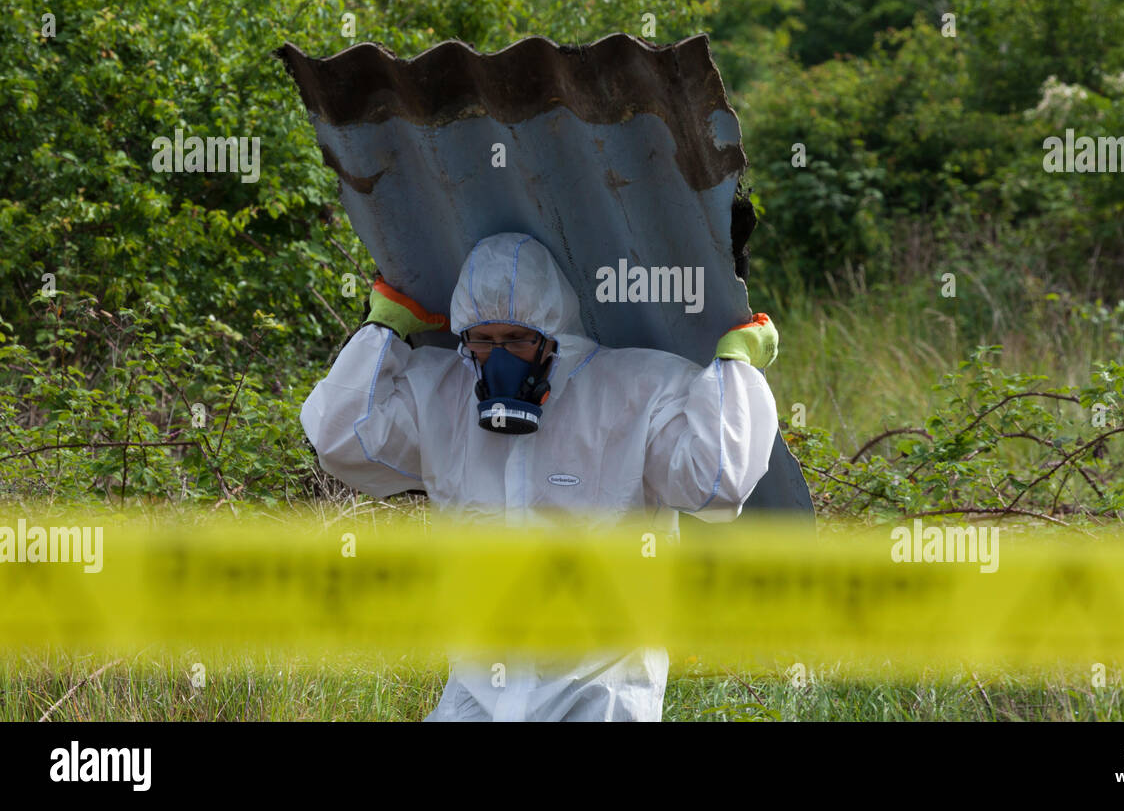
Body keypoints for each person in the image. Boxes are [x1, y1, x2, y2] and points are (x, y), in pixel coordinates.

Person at [299, 231, 780, 720]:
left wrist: (736, 368)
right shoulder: (443, 393)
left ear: (555, 334)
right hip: (480, 687)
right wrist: (383, 331)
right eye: (484, 339)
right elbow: (341, 439)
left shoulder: (632, 390)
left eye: (517, 340)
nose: (499, 356)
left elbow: (717, 482)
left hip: (600, 686)